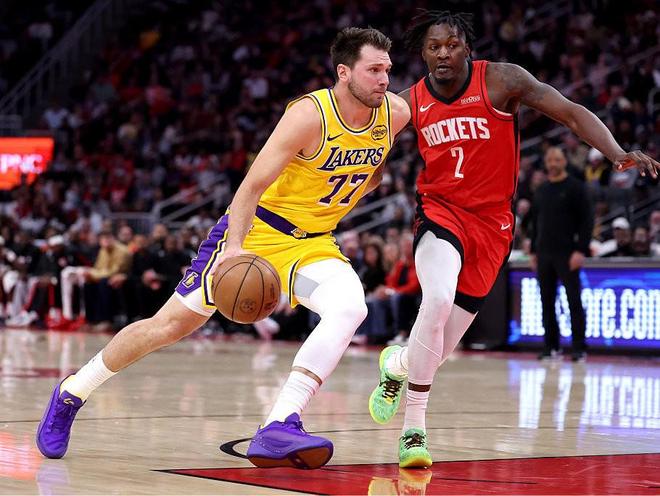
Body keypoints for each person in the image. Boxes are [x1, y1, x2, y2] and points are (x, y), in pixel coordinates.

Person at [36, 27, 410, 469]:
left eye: (387, 69)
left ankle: (280, 423)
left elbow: (378, 164)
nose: (384, 79)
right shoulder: (309, 115)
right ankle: (72, 392)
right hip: (256, 233)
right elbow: (249, 188)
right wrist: (233, 250)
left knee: (350, 308)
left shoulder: (394, 113)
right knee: (167, 326)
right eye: (373, 70)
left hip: (313, 243)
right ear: (344, 72)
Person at [367, 10, 659, 469]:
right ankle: (414, 430)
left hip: (493, 226)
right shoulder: (408, 102)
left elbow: (570, 112)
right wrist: (366, 178)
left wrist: (616, 152)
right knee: (437, 299)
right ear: (422, 53)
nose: (443, 54)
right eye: (433, 47)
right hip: (440, 213)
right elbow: (372, 145)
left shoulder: (502, 80)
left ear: (467, 47)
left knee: (438, 351)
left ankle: (398, 365)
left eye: (451, 45)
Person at [528, 147, 593, 362]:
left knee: (573, 300)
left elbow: (587, 221)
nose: (553, 163)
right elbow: (535, 223)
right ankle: (551, 347)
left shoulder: (575, 187)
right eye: (550, 160)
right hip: (544, 253)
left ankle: (579, 348)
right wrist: (534, 251)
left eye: (557, 159)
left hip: (568, 253)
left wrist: (581, 250)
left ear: (565, 161)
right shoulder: (541, 190)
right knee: (546, 301)